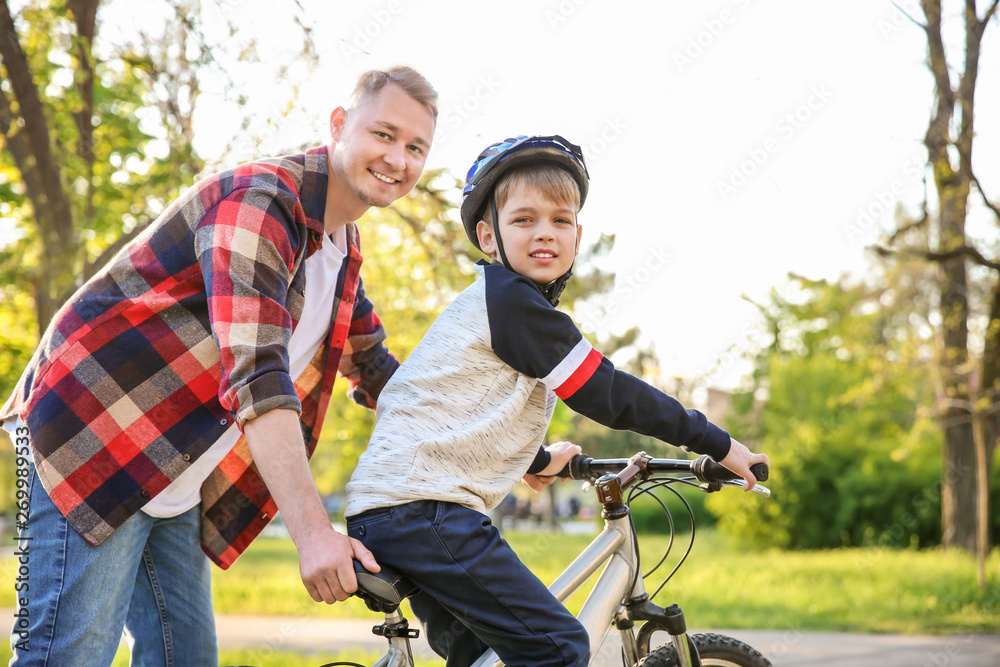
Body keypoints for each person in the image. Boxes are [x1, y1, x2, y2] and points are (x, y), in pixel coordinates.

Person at [1, 66, 437, 666]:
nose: (398, 158)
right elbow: (258, 375)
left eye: (416, 147)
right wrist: (313, 533)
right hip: (90, 436)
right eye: (384, 134)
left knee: (187, 657)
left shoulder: (340, 245)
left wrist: (523, 457)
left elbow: (381, 371)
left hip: (172, 462)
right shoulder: (259, 204)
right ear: (339, 125)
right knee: (69, 656)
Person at [344, 135, 771, 667]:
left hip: (401, 510)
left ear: (577, 234)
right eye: (523, 219)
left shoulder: (501, 308)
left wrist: (542, 459)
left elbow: (458, 411)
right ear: (489, 236)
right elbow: (607, 392)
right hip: (424, 512)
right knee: (559, 648)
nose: (544, 232)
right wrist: (716, 441)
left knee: (485, 657)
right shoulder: (509, 302)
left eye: (560, 220)